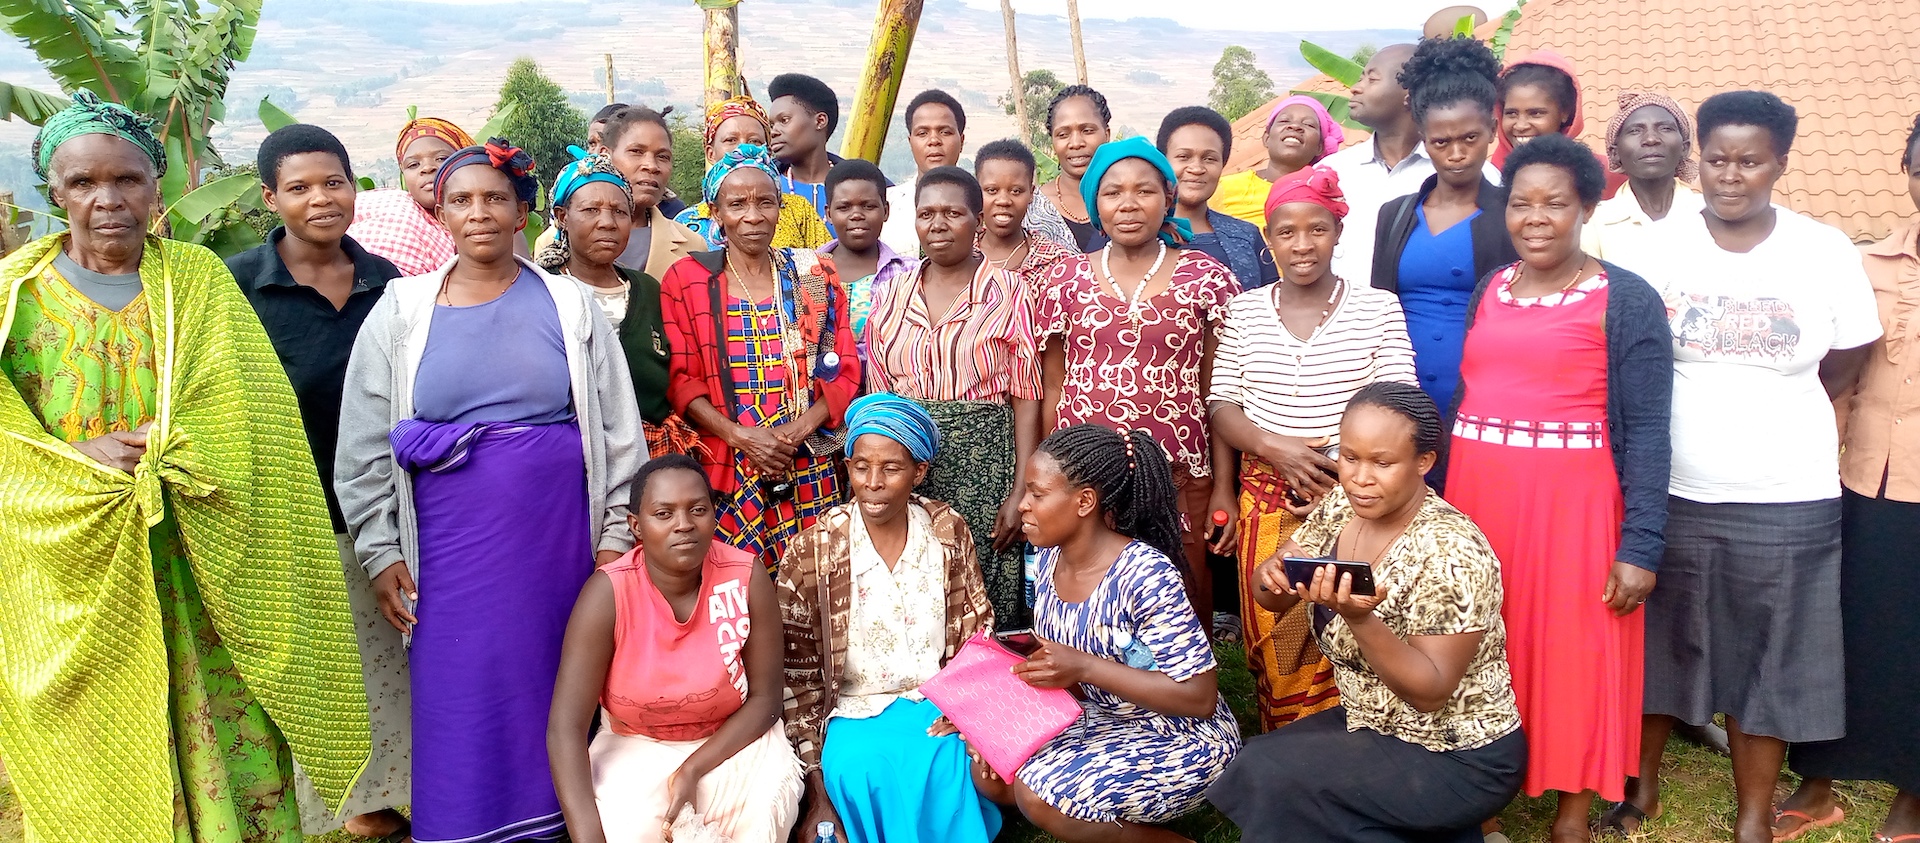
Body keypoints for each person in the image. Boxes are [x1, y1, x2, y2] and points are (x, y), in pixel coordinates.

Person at [0, 91, 369, 842]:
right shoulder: (15, 297)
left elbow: (252, 409)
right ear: (55, 192)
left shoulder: (198, 280)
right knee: (98, 739)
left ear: (154, 185)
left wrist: (177, 448)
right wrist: (73, 460)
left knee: (224, 723)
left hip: (204, 562)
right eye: (83, 183)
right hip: (77, 574)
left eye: (127, 179)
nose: (108, 200)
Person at [335, 137, 646, 843]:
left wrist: (613, 539)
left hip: (558, 544)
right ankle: (464, 826)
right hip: (448, 551)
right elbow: (362, 444)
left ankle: (561, 823)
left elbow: (619, 431)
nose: (478, 212)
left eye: (494, 198)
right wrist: (381, 551)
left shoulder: (568, 304)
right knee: (460, 688)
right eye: (461, 200)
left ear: (521, 213)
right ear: (440, 213)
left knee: (557, 683)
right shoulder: (401, 309)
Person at [1602, 91, 1882, 843]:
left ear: (1779, 164)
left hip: (1787, 492)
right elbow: (1629, 361)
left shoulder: (1823, 249)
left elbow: (1847, 356)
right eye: (1718, 159)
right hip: (1671, 488)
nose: (1730, 175)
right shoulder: (1654, 250)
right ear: (1700, 160)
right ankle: (1641, 788)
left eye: (1750, 161)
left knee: (1771, 655)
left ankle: (1755, 812)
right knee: (1658, 648)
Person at [1445, 134, 1673, 843]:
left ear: (1585, 209)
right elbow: (1468, 395)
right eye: (1521, 203)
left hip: (1573, 509)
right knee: (1482, 641)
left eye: (1555, 204)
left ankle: (1570, 814)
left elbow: (1649, 430)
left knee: (1574, 654)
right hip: (1480, 503)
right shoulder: (1491, 288)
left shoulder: (1624, 297)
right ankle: (1480, 804)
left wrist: (1641, 545)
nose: (1535, 218)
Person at [1210, 382, 1527, 843]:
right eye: (1349, 457)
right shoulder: (1343, 505)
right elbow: (1272, 597)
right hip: (1373, 722)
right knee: (1263, 771)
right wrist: (1272, 576)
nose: (1360, 477)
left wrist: (1360, 620)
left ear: (1424, 462)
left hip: (1457, 751)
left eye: (1382, 463)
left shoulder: (1452, 551)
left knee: (1277, 781)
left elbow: (1431, 691)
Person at [224, 123, 410, 840]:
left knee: (388, 657)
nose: (321, 199)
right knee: (320, 664)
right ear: (270, 198)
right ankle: (348, 800)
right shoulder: (240, 287)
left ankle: (398, 786)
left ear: (355, 187)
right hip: (289, 510)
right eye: (299, 187)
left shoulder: (388, 283)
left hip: (383, 503)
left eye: (334, 182)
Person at [1209, 165, 1417, 731]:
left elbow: (1396, 398)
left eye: (1317, 229)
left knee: (1351, 617)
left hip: (1354, 492)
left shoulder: (1377, 307)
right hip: (1267, 493)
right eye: (1286, 232)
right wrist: (1277, 450)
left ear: (1338, 232)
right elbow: (1223, 403)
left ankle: (1357, 741)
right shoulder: (1245, 310)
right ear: (1268, 238)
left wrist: (1336, 473)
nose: (1302, 244)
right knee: (1274, 625)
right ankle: (1288, 743)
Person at [1776, 113, 1920, 843]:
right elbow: (1841, 372)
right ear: (1907, 172)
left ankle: (1913, 795)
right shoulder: (1870, 265)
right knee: (1840, 627)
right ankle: (1819, 780)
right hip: (1860, 476)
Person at [999, 424, 1242, 843]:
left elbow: (1199, 698)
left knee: (1039, 797)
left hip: (1179, 734)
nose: (1022, 505)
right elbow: (1059, 668)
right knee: (991, 771)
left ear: (1084, 501)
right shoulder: (1047, 558)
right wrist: (988, 712)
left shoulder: (1145, 575)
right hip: (1101, 716)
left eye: (1037, 494)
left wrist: (1085, 667)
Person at [1036, 136, 1241, 628]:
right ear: (1095, 204)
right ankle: (1087, 677)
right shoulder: (1063, 280)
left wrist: (1223, 486)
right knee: (1089, 594)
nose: (1128, 204)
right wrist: (1048, 477)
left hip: (1180, 470)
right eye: (1113, 192)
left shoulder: (1206, 278)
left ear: (1168, 198)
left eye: (1144, 191)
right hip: (1085, 474)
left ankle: (1181, 678)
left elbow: (1218, 393)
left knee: (1180, 590)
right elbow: (1054, 387)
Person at [779, 394, 1002, 843]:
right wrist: (815, 780)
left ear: (919, 471)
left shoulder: (945, 530)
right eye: (861, 467)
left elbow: (977, 632)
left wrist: (968, 711)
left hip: (939, 702)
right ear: (847, 467)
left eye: (891, 468)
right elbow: (796, 674)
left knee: (951, 760)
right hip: (853, 711)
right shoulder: (815, 550)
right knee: (862, 769)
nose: (873, 483)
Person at [548, 454, 802, 843]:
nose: (683, 524)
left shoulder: (745, 576)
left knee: (758, 819)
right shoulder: (608, 593)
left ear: (714, 515)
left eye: (697, 510)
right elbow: (565, 728)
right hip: (634, 742)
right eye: (663, 514)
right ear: (636, 526)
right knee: (634, 832)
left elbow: (766, 699)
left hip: (732, 740)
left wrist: (692, 769)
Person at [659, 143, 860, 568]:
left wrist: (795, 433)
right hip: (729, 463)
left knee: (815, 577)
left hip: (807, 461)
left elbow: (844, 369)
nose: (753, 216)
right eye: (737, 204)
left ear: (780, 208)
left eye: (765, 202)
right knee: (737, 581)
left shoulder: (814, 273)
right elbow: (681, 381)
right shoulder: (687, 280)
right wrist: (742, 438)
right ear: (716, 213)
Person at [867, 167, 1044, 626]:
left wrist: (1021, 489)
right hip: (908, 470)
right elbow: (881, 398)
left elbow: (1027, 396)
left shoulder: (1010, 293)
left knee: (983, 589)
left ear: (978, 221)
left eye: (953, 213)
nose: (938, 224)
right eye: (926, 213)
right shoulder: (890, 295)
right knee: (915, 586)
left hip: (986, 470)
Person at [1372, 36, 1518, 449]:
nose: (1457, 153)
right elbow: (1379, 311)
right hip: (1402, 408)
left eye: (1470, 138)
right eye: (1441, 142)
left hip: (1485, 408)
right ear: (1423, 138)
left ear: (1492, 131)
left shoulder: (1512, 214)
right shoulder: (1395, 215)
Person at [536, 147, 702, 458]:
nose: (607, 222)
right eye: (591, 210)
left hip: (651, 455)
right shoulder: (542, 291)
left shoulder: (648, 290)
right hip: (569, 457)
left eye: (619, 212)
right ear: (562, 217)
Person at [1322, 43, 1491, 287]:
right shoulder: (1332, 170)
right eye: (1361, 78)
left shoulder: (1468, 173)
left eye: (1372, 79)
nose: (1356, 88)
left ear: (1408, 94)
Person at [533, 105, 705, 281]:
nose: (651, 166)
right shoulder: (551, 243)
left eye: (663, 157)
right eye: (636, 152)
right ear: (605, 156)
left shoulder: (692, 245)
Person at [675, 95, 833, 250]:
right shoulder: (686, 223)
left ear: (768, 152)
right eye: (731, 140)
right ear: (710, 153)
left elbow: (827, 263)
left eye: (755, 141)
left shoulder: (798, 211)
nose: (744, 149)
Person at [1157, 106, 1279, 290]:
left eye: (1209, 159)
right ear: (1163, 161)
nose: (1196, 168)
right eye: (1183, 156)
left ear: (1223, 164)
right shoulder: (1136, 233)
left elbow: (1273, 301)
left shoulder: (1246, 237)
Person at [1580, 90, 1704, 267]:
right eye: (1635, 130)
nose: (1651, 139)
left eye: (1665, 128)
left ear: (1684, 147)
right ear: (1614, 153)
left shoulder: (1710, 212)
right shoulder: (1592, 222)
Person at [817, 157, 916, 363]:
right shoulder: (805, 271)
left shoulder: (909, 275)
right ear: (828, 214)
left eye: (868, 206)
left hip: (885, 383)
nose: (856, 215)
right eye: (844, 207)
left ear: (886, 211)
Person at [347, 115, 473, 276]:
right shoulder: (388, 203)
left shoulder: (485, 218)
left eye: (441, 158)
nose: (427, 168)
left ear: (465, 162)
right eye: (413, 165)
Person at [1493, 50, 1625, 198]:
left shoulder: (1606, 176)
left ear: (1564, 113)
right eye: (1511, 113)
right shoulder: (1488, 178)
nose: (1521, 125)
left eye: (1535, 113)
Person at [1211, 96, 1345, 228]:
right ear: (1266, 138)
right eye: (1284, 120)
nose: (1295, 126)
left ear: (1320, 147)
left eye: (1309, 124)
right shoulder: (1223, 188)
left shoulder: (1329, 196)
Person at [974, 138, 1075, 293]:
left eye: (1016, 191)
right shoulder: (958, 252)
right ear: (975, 191)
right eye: (992, 190)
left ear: (1031, 194)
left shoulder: (1056, 262)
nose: (1003, 201)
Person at [879, 89, 969, 255]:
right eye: (923, 133)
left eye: (945, 132)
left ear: (961, 141)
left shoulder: (984, 206)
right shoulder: (884, 206)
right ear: (910, 142)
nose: (934, 140)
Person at [1033, 85, 1115, 251]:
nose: (1076, 143)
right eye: (1063, 134)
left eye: (1087, 131)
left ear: (1106, 134)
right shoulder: (1033, 208)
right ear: (1053, 142)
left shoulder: (1129, 201)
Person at [768, 72, 844, 223]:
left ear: (820, 121)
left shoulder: (863, 190)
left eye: (784, 120)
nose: (773, 132)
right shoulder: (764, 188)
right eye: (771, 125)